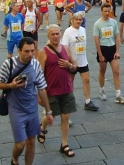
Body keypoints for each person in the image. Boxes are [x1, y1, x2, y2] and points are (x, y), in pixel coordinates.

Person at [0, 37, 53, 165]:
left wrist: (48, 111)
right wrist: (11, 85)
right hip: (16, 108)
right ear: (19, 51)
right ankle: (15, 159)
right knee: (20, 144)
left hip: (31, 108)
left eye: (32, 51)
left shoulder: (35, 64)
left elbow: (42, 88)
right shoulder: (9, 64)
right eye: (27, 51)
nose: (30, 54)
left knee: (31, 141)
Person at [37, 25, 78, 157]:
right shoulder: (43, 52)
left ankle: (64, 144)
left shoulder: (66, 48)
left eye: (57, 34)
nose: (55, 36)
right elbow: (40, 74)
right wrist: (40, 94)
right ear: (48, 36)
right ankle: (42, 128)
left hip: (66, 88)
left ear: (60, 34)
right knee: (51, 116)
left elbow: (75, 66)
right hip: (51, 90)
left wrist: (69, 65)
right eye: (52, 34)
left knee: (66, 116)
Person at [62, 13, 99, 111]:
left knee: (86, 80)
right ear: (72, 20)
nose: (78, 21)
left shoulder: (83, 30)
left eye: (80, 19)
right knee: (70, 82)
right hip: (72, 62)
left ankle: (88, 102)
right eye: (76, 19)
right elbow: (65, 47)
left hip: (83, 60)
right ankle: (69, 101)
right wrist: (71, 60)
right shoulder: (68, 32)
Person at [93, 3, 124, 103]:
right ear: (101, 11)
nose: (107, 13)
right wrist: (100, 54)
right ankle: (101, 90)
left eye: (109, 11)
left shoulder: (113, 22)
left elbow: (116, 37)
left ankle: (118, 95)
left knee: (116, 72)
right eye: (105, 11)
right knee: (102, 71)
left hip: (112, 49)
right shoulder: (97, 24)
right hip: (103, 49)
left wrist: (117, 51)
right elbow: (96, 40)